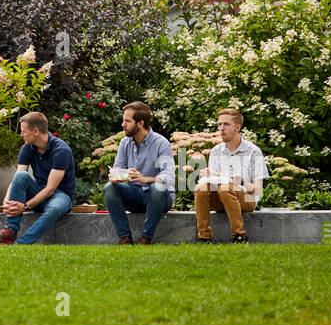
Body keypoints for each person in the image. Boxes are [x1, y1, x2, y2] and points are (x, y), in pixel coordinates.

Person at [0, 112, 76, 245]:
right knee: (21, 176)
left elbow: (50, 189)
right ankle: (10, 231)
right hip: (38, 189)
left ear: (35, 131)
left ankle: (22, 243)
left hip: (60, 195)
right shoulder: (27, 148)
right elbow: (17, 178)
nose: (21, 135)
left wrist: (25, 206)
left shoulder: (61, 150)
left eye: (24, 131)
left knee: (55, 208)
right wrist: (7, 200)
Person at [102, 101, 176, 245]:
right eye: (123, 120)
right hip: (135, 195)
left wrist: (144, 179)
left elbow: (168, 176)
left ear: (140, 123)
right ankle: (125, 238)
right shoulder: (125, 143)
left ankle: (145, 237)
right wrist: (116, 177)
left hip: (159, 197)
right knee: (109, 188)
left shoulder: (162, 143)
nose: (123, 124)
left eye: (127, 121)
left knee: (157, 187)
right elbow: (118, 168)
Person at [193, 108, 268, 243]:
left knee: (226, 188)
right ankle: (204, 236)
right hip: (221, 197)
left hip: (246, 198)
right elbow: (215, 182)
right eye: (220, 124)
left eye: (226, 124)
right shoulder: (216, 151)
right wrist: (208, 177)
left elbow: (257, 190)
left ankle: (239, 235)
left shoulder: (253, 151)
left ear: (237, 128)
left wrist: (242, 182)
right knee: (201, 187)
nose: (221, 128)